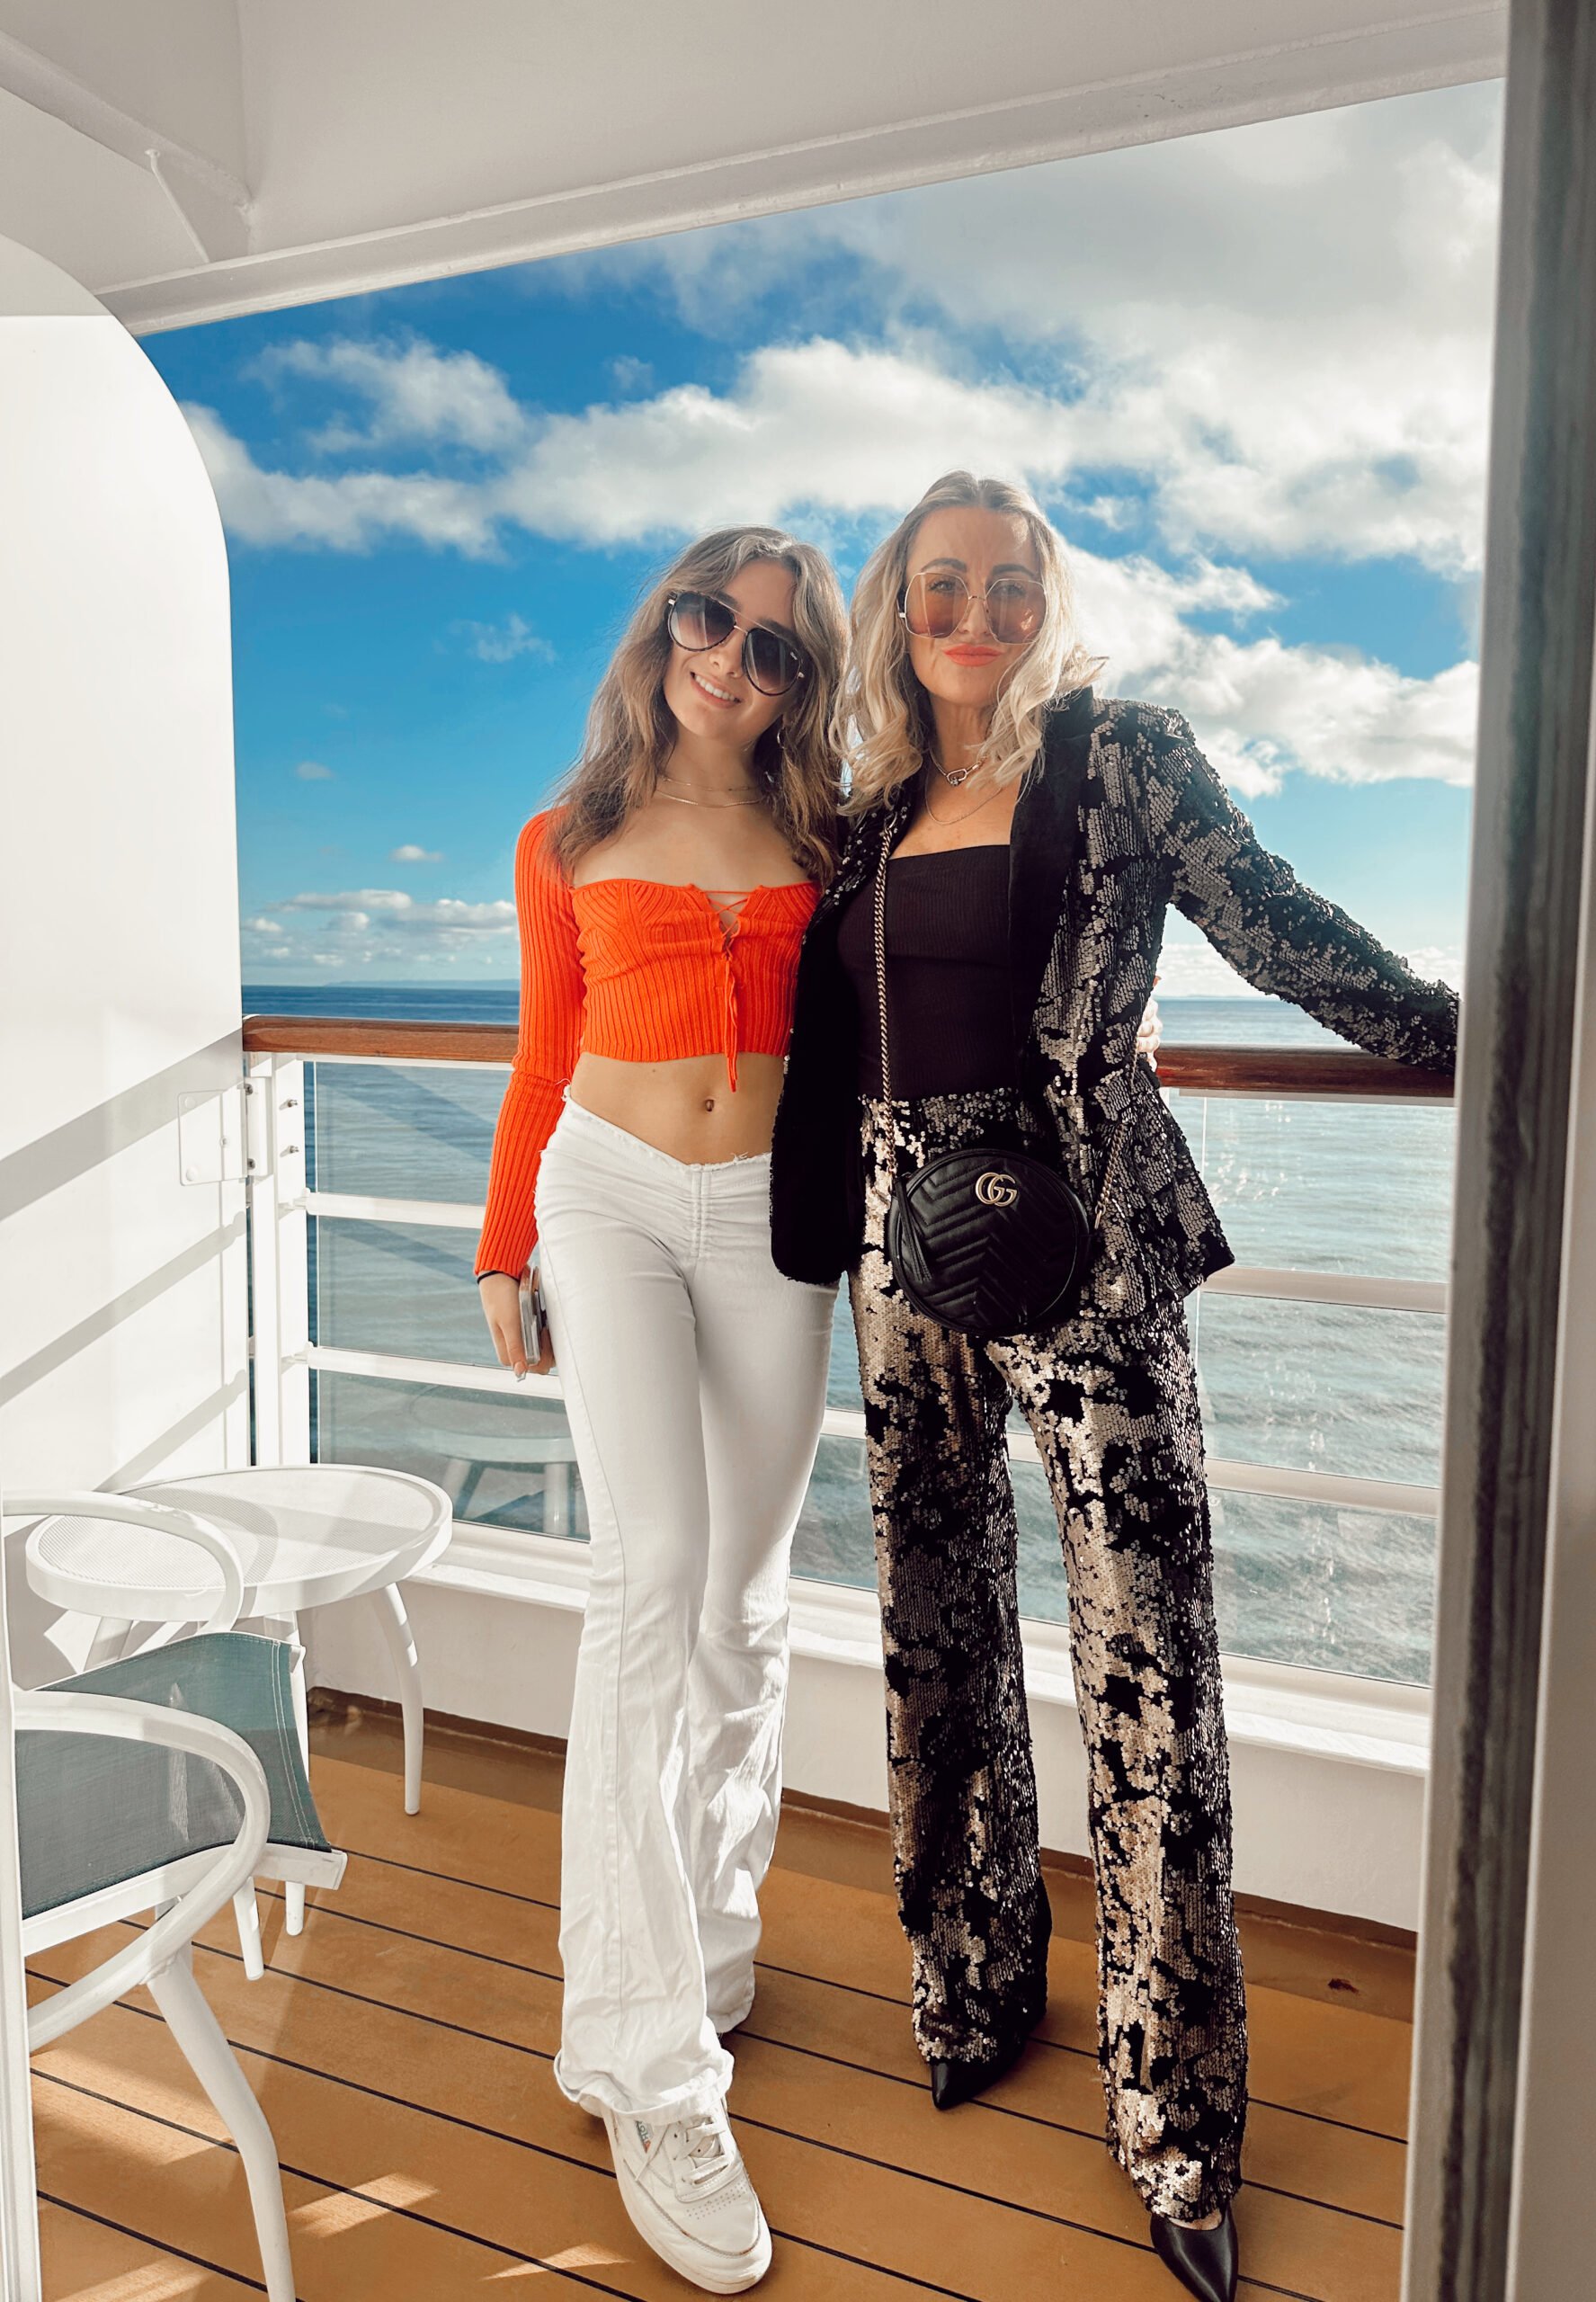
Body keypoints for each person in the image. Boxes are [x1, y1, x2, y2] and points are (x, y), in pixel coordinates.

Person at [769, 472, 1458, 2302]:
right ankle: (976, 1982)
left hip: (1089, 1241)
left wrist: (1475, 1031)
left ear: (1045, 602)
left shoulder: (1126, 752)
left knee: (1148, 1665)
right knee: (938, 1636)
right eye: (940, 584)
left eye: (1006, 584)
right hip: (901, 1252)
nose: (973, 612)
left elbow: (1274, 916)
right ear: (893, 606)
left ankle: (1176, 2118)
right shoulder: (864, 808)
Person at [474, 527, 848, 2295]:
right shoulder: (568, 836)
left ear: (800, 678)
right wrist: (502, 1242)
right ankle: (644, 2058)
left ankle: (703, 1920)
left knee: (741, 1600)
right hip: (607, 1192)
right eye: (709, 618)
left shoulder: (826, 837)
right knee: (653, 1576)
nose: (730, 657)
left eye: (773, 646)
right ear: (662, 626)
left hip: (775, 1219)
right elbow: (546, 1052)